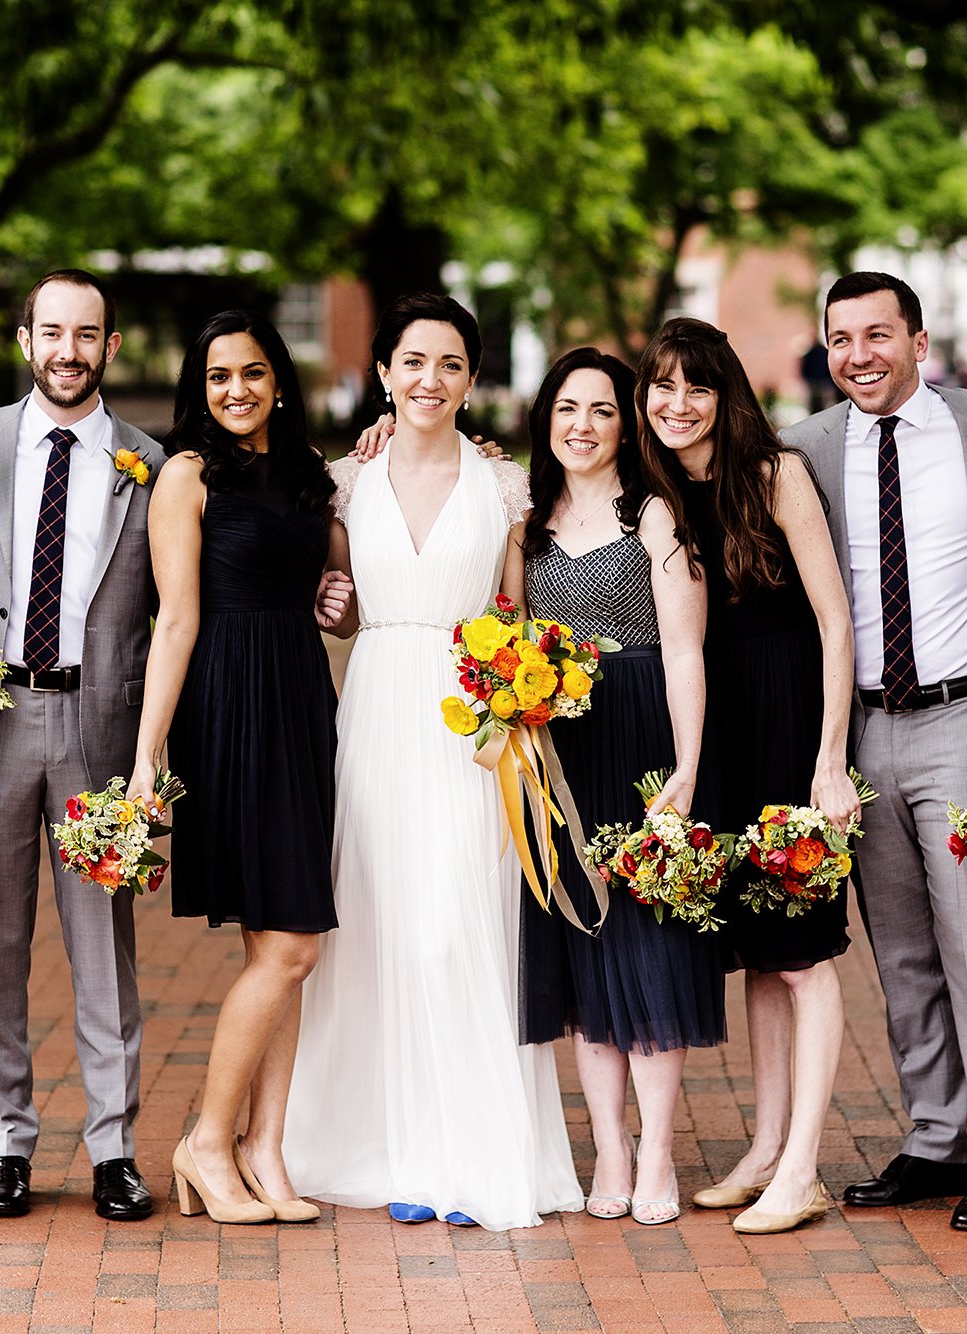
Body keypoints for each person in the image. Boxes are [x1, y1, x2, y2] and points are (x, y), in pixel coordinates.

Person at [281, 292, 583, 1231]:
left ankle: (470, 1151)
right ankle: (391, 1149)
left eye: (450, 364)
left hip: (470, 725)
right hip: (374, 708)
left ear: (472, 379)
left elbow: (519, 611)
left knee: (457, 924)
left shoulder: (504, 486)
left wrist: (524, 697)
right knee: (377, 922)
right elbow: (340, 600)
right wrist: (333, 608)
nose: (430, 380)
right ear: (382, 374)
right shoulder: (346, 482)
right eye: (413, 361)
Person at [781, 271, 967, 1232]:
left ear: (919, 342)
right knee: (902, 949)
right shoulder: (803, 448)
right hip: (861, 730)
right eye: (841, 339)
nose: (859, 356)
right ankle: (937, 1138)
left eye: (877, 335)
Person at [127, 311, 353, 1224]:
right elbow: (174, 619)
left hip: (301, 699)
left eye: (252, 374)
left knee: (287, 947)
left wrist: (338, 602)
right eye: (218, 377)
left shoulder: (308, 474)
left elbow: (339, 595)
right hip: (230, 706)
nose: (235, 391)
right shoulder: (186, 476)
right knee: (291, 943)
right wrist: (146, 756)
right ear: (200, 387)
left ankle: (266, 1145)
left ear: (279, 381)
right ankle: (206, 1143)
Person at [634, 317, 858, 1235]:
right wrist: (688, 770)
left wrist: (830, 760)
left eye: (696, 388)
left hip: (792, 726)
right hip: (721, 733)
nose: (676, 406)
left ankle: (803, 1167)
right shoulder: (659, 502)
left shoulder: (777, 475)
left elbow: (835, 622)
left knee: (802, 958)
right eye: (661, 388)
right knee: (760, 961)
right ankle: (766, 1151)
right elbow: (683, 649)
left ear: (725, 398)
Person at [0, 269, 165, 1222]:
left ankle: (112, 1149)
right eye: (52, 332)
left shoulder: (150, 463)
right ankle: (4, 1144)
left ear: (111, 347)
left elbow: (179, 606)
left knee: (103, 952)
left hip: (99, 731)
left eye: (87, 334)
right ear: (24, 339)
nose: (68, 351)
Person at [515, 347, 721, 1228]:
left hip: (641, 737)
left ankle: (663, 1151)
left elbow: (683, 649)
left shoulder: (658, 516)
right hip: (560, 751)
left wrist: (685, 768)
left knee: (653, 949)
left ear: (625, 420)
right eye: (567, 408)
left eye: (601, 410)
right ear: (546, 418)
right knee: (584, 954)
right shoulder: (525, 520)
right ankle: (610, 1149)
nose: (583, 426)